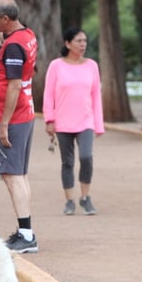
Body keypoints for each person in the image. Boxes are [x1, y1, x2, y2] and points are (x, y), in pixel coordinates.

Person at [0, 0, 39, 253]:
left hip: (13, 118)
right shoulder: (24, 35)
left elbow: (14, 86)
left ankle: (26, 235)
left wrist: (2, 124)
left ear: (5, 19)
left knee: (12, 176)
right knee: (19, 175)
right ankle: (26, 230)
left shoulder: (14, 46)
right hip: (23, 115)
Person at [43, 27, 104, 216]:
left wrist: (98, 124)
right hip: (62, 122)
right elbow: (48, 94)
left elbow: (96, 96)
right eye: (78, 41)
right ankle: (69, 200)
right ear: (68, 43)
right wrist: (49, 119)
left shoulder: (92, 65)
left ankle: (85, 198)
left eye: (85, 41)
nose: (83, 44)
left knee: (86, 157)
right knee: (67, 162)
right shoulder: (56, 66)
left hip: (85, 120)